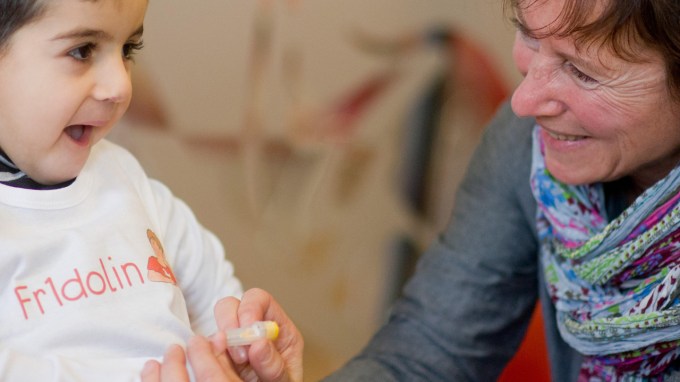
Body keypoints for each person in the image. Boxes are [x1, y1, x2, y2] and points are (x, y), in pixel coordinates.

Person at [106, 0, 680, 379]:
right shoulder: (526, 150)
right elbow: (427, 354)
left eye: (582, 73)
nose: (525, 100)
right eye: (528, 38)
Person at [0, 1, 302, 381]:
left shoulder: (128, 180)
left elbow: (220, 309)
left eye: (128, 50)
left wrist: (245, 347)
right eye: (82, 50)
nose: (120, 86)